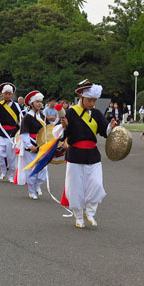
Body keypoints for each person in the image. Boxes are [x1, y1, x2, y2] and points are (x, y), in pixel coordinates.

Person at [53, 81, 117, 228]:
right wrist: (63, 125)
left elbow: (104, 131)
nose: (92, 103)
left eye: (94, 100)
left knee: (96, 184)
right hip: (75, 154)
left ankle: (90, 212)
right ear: (81, 98)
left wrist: (111, 127)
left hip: (93, 155)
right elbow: (60, 134)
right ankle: (78, 216)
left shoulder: (96, 113)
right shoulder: (70, 112)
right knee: (76, 187)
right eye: (90, 100)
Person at [18, 90, 49, 200]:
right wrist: (29, 145)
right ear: (31, 104)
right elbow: (24, 133)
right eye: (37, 102)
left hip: (42, 146)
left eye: (41, 102)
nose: (40, 104)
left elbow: (48, 131)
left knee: (42, 169)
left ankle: (37, 185)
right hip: (31, 146)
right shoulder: (27, 117)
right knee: (32, 169)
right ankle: (31, 191)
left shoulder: (42, 116)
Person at [0, 82, 22, 182]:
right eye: (5, 93)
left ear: (12, 95)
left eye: (9, 94)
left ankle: (11, 175)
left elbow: (22, 119)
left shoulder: (17, 106)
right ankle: (3, 170)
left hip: (13, 133)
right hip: (1, 131)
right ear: (2, 94)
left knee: (11, 155)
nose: (7, 95)